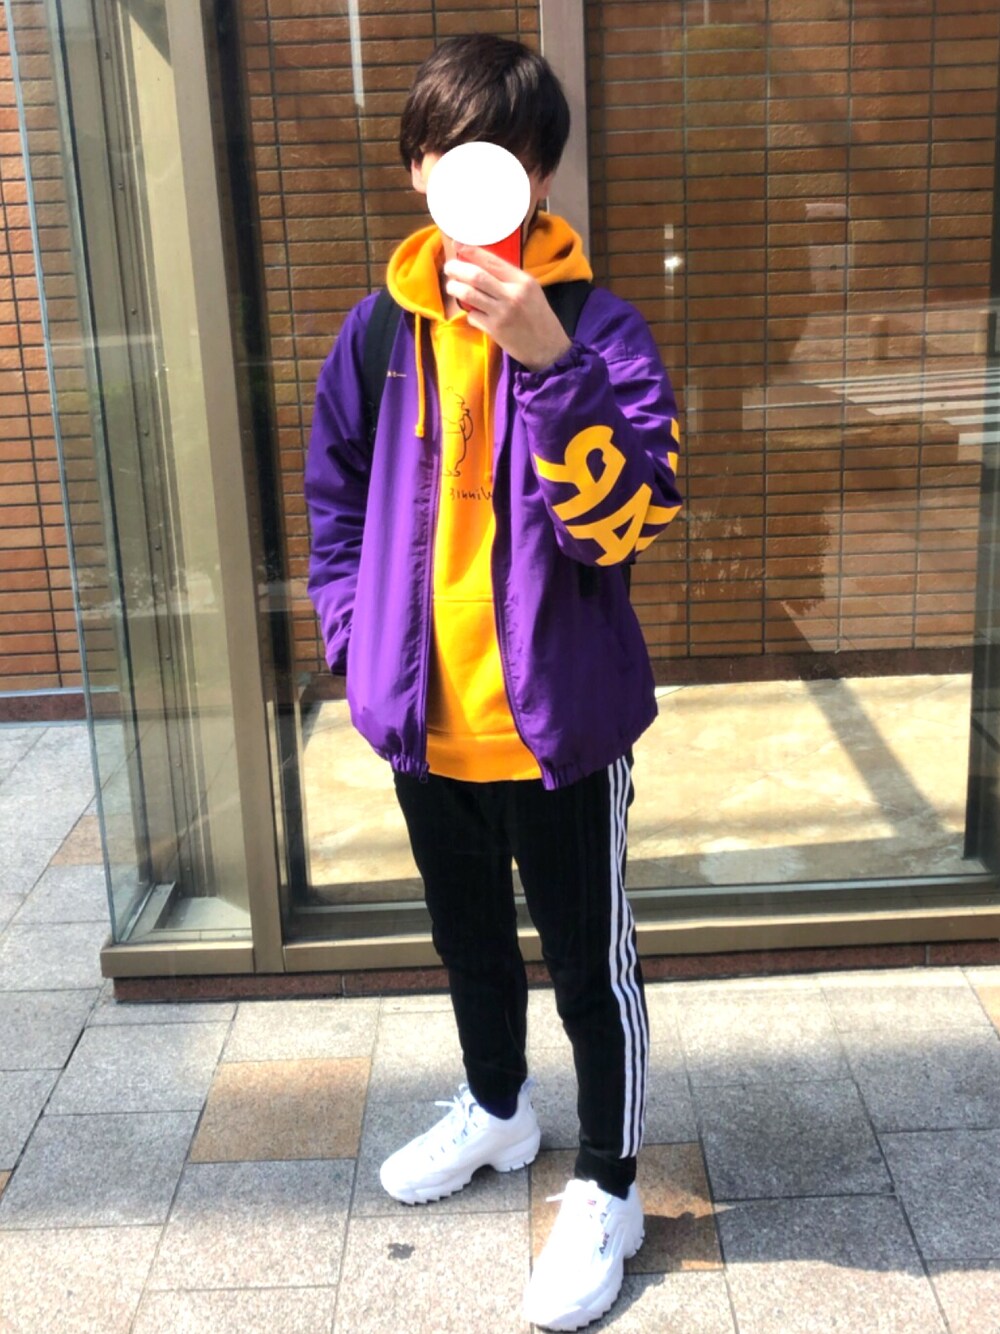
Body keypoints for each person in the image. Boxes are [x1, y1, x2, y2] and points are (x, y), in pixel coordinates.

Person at [305, 32, 682, 1332]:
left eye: (506, 161)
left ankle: (612, 1185)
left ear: (540, 179)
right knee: (469, 942)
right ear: (419, 170)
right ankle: (500, 1108)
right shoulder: (377, 332)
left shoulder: (599, 327)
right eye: (448, 154)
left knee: (590, 969)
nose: (473, 181)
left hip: (559, 732)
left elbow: (627, 524)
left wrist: (547, 361)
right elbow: (335, 503)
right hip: (427, 728)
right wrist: (355, 641)